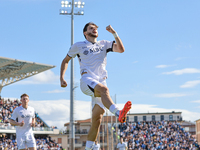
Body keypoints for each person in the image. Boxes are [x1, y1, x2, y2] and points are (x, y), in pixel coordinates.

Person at [60, 22, 132, 150]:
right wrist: (62, 78)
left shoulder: (104, 44)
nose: (94, 30)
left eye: (95, 28)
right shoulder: (78, 45)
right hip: (87, 81)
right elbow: (65, 60)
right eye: (91, 28)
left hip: (101, 82)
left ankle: (88, 148)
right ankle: (118, 112)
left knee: (97, 120)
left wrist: (114, 34)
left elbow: (121, 49)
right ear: (85, 33)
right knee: (104, 90)